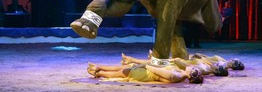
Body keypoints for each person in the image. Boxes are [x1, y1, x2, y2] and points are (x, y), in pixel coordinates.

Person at [87, 51, 244, 84]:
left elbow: (156, 71)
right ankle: (98, 69)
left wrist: (145, 63)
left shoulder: (176, 75)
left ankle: (98, 71)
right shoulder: (179, 73)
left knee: (122, 71)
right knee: (122, 70)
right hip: (151, 71)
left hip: (147, 73)